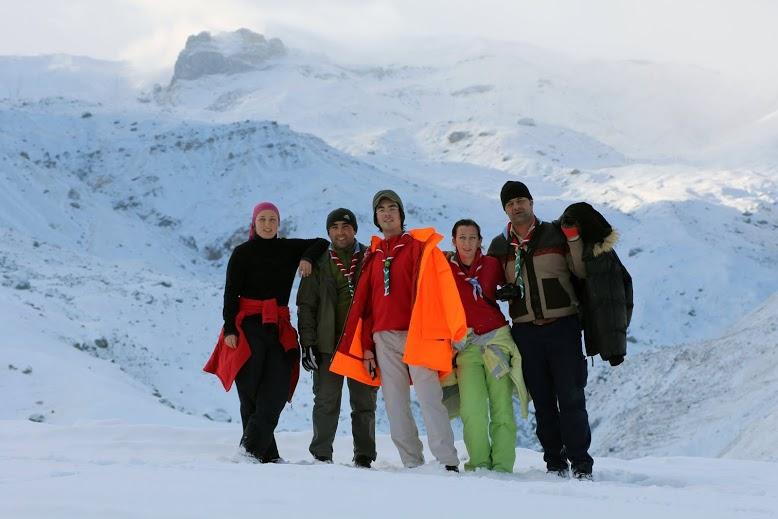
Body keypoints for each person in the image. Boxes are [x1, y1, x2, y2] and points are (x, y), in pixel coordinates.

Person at [330, 190, 466, 471]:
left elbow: (440, 287)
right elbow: (365, 306)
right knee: (395, 404)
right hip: (383, 337)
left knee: (430, 399)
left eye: (392, 208)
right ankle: (412, 463)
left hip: (419, 334)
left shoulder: (419, 247)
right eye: (381, 210)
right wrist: (366, 346)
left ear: (401, 214)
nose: (387, 213)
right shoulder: (373, 255)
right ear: (376, 219)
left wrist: (449, 334)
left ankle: (447, 461)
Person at [204, 202, 328, 462]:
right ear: (254, 223)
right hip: (247, 327)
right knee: (250, 394)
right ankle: (267, 457)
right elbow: (230, 294)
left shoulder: (288, 248)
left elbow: (320, 242)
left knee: (277, 389)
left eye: (272, 219)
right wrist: (229, 329)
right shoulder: (242, 253)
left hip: (278, 326)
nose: (268, 224)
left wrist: (306, 258)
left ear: (278, 223)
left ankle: (249, 451)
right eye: (262, 219)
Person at [487, 181, 594, 480]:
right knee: (544, 402)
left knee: (571, 398)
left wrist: (573, 239)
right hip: (525, 333)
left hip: (563, 327)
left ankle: (581, 464)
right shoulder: (499, 246)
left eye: (521, 200)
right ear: (505, 210)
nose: (516, 207)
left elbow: (582, 271)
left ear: (532, 203)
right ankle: (555, 464)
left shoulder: (555, 233)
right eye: (510, 204)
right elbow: (488, 283)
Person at [296, 208, 378, 468]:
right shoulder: (318, 261)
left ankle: (364, 455)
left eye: (346, 226)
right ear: (328, 231)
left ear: (354, 229)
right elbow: (306, 304)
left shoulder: (370, 257)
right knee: (325, 402)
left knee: (364, 403)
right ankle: (321, 454)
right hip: (327, 344)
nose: (340, 232)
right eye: (335, 227)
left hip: (361, 344)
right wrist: (307, 343)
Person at [447, 219, 529, 473]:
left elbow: (514, 280)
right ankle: (479, 465)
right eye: (462, 238)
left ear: (480, 241)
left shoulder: (492, 265)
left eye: (473, 238)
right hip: (467, 347)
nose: (468, 243)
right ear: (454, 242)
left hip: (496, 344)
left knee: (501, 407)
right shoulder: (445, 268)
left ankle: (503, 467)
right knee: (472, 410)